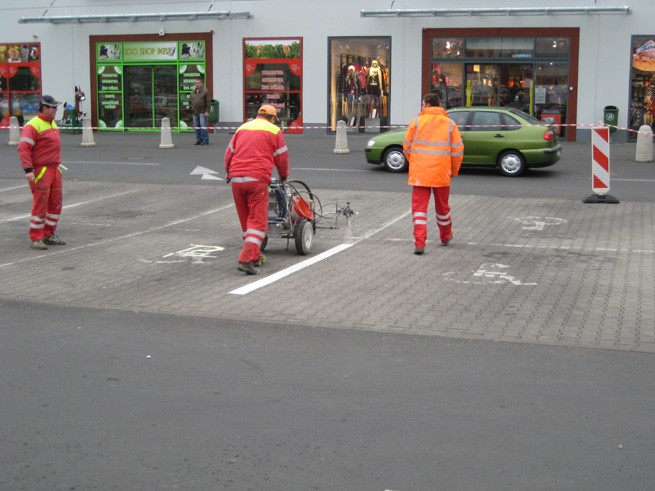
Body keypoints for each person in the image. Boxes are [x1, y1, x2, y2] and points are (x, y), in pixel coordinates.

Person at [224, 104, 290, 275]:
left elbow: (229, 154)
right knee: (258, 222)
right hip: (257, 180)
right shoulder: (274, 131)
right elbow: (281, 158)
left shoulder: (243, 128)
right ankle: (246, 259)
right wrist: (284, 176)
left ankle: (253, 254)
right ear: (273, 118)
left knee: (247, 222)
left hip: (237, 180)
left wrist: (228, 172)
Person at [403, 93, 464, 255]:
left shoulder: (416, 123)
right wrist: (454, 169)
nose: (421, 107)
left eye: (422, 104)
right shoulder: (450, 124)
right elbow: (458, 150)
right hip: (441, 172)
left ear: (428, 105)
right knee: (443, 208)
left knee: (419, 210)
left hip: (420, 174)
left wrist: (415, 162)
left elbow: (406, 147)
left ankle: (420, 243)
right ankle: (445, 236)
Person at [17, 95, 66, 250]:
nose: (56, 111)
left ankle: (48, 234)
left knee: (55, 204)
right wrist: (28, 169)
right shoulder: (33, 125)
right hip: (41, 171)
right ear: (44, 108)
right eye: (53, 108)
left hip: (54, 169)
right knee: (41, 204)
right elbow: (24, 148)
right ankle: (36, 237)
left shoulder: (51, 124)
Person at [190, 78, 210, 145]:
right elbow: (190, 102)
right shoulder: (193, 92)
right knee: (196, 127)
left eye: (198, 83)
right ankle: (199, 139)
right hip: (195, 112)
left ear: (201, 84)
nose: (196, 84)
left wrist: (207, 111)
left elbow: (208, 102)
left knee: (203, 126)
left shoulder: (205, 91)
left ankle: (205, 140)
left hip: (202, 112)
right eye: (196, 83)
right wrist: (191, 108)